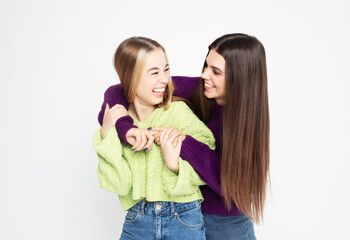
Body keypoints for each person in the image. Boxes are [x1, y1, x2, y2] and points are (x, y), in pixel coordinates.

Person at [98, 33, 270, 240]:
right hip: (183, 216)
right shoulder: (200, 88)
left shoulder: (248, 124)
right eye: (206, 66)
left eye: (216, 72)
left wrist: (184, 143)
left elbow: (230, 186)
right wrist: (126, 128)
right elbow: (122, 89)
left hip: (225, 225)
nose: (205, 75)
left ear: (241, 77)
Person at [93, 37, 215, 240]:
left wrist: (174, 165)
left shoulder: (178, 112)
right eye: (154, 73)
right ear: (130, 77)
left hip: (183, 220)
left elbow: (209, 165)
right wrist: (107, 137)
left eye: (166, 70)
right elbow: (119, 185)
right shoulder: (118, 124)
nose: (165, 79)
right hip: (137, 222)